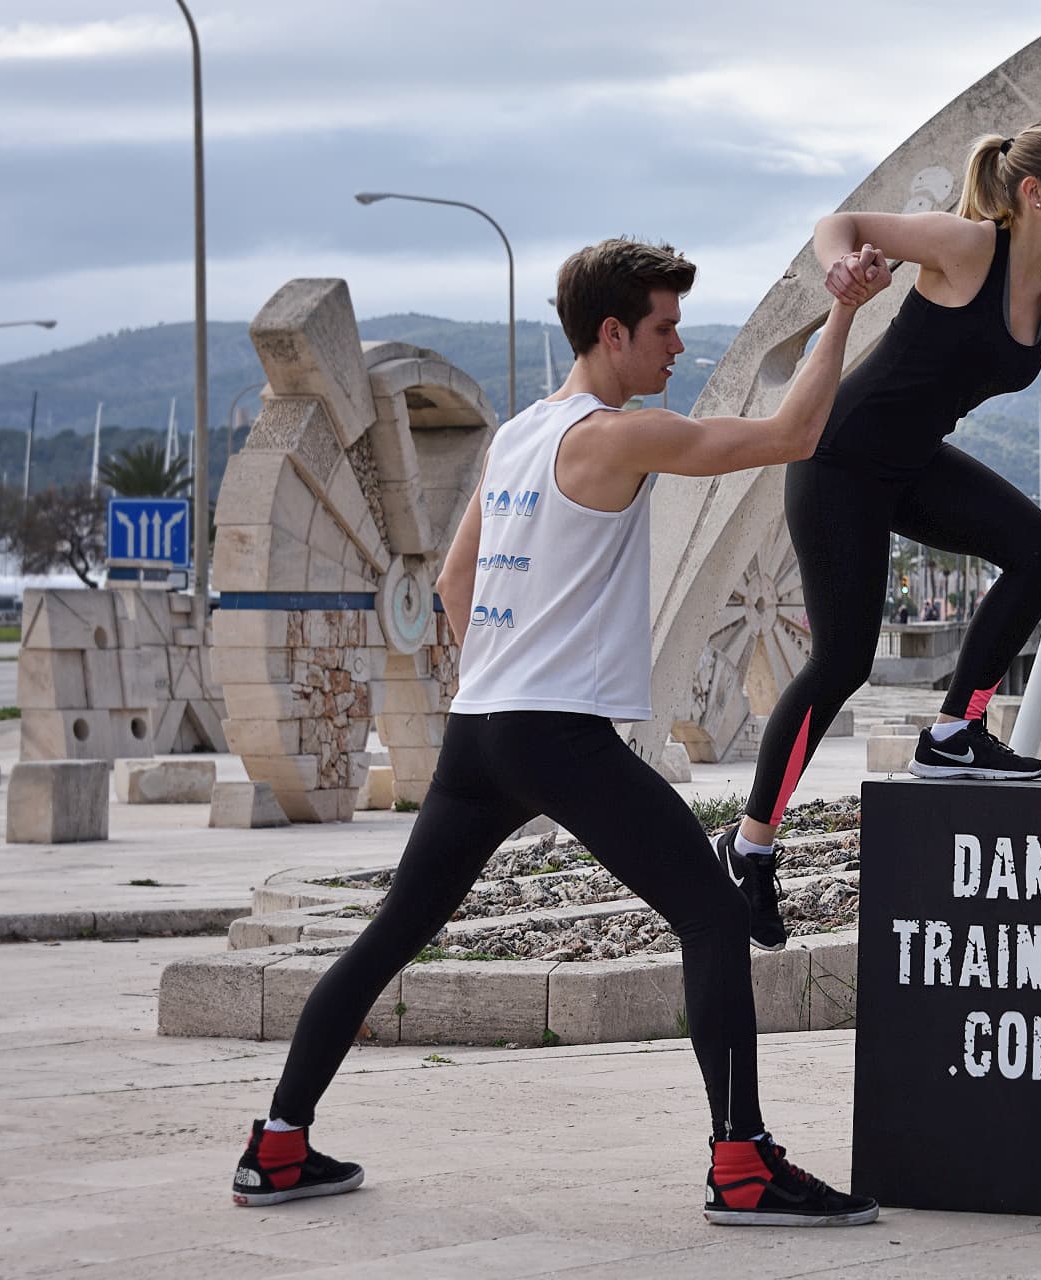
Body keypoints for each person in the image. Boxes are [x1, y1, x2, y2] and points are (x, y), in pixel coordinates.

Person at [228, 236, 888, 1228]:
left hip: (480, 729)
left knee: (395, 930)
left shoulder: (519, 436)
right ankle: (743, 1166)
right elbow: (794, 434)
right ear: (612, 333)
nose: (677, 347)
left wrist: (506, 672)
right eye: (663, 329)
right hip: (555, 735)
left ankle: (277, 1145)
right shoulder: (617, 437)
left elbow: (457, 582)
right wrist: (845, 310)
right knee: (713, 916)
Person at [715, 122, 1041, 952]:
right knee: (844, 661)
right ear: (1032, 192)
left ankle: (954, 732)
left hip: (912, 465)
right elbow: (841, 222)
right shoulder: (965, 248)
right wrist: (839, 267)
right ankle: (749, 848)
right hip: (839, 460)